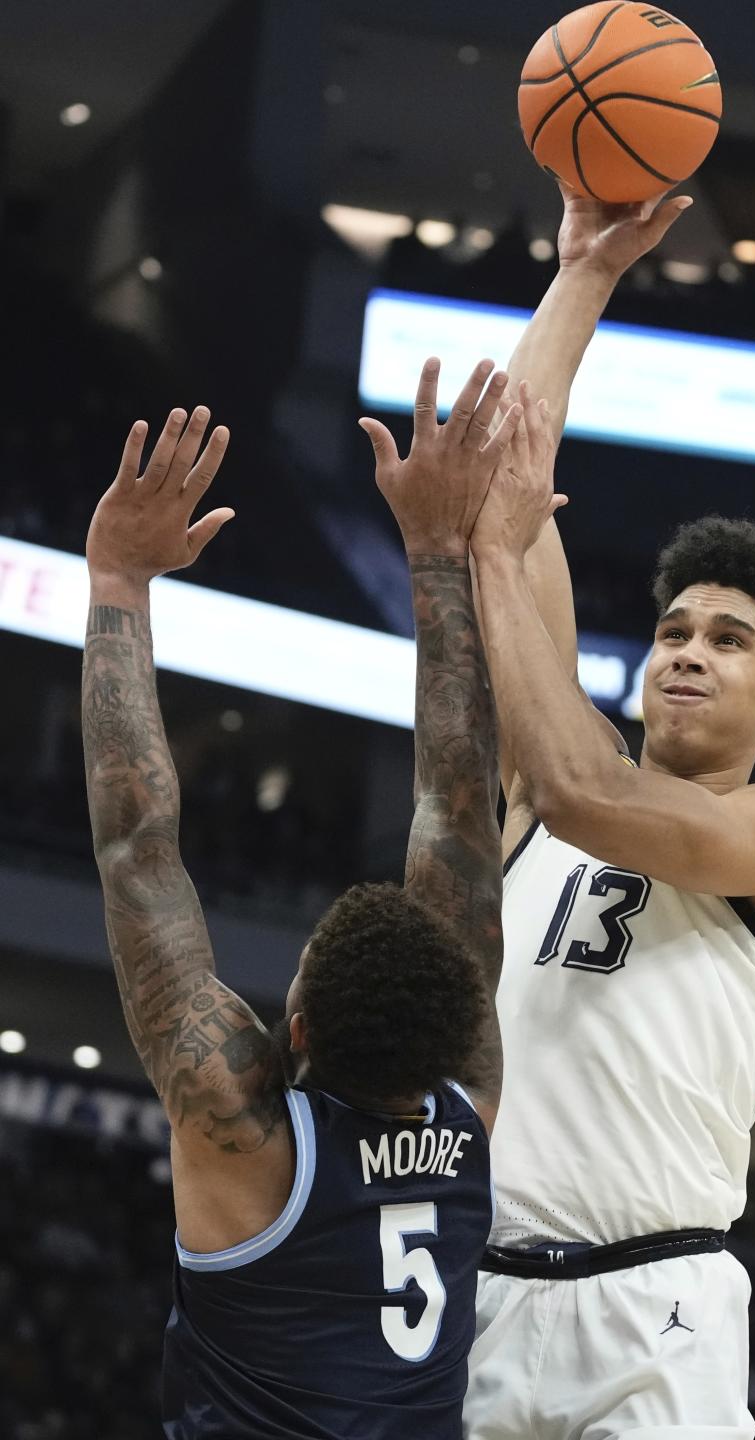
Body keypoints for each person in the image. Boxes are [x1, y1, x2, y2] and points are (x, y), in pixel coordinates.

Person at [81, 361, 541, 1440]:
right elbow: (462, 810)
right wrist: (439, 556)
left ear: (291, 1028)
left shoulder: (247, 1126)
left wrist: (115, 585)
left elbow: (138, 840)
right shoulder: (466, 1109)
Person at [457, 189, 755, 1439]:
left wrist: (486, 558)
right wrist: (582, 274)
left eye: (728, 641)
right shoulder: (538, 789)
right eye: (674, 629)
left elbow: (589, 789)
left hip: (659, 1304)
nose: (687, 652)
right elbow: (506, 489)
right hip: (483, 1295)